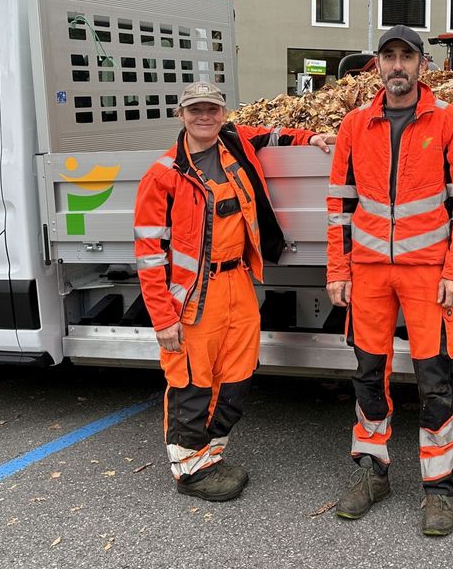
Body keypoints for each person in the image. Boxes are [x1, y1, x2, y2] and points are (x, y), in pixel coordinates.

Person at [134, 81, 335, 502]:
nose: (204, 117)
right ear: (180, 115)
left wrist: (312, 136)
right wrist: (163, 318)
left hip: (239, 282)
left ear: (223, 113)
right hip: (193, 296)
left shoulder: (236, 143)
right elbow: (149, 254)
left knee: (238, 374)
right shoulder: (163, 175)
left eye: (212, 109)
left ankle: (211, 456)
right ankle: (189, 470)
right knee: (192, 381)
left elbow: (275, 134)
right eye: (195, 110)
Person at [325, 25, 453, 536]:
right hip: (369, 274)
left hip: (427, 276)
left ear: (422, 65)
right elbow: (339, 207)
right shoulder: (355, 124)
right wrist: (338, 269)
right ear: (376, 64)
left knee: (435, 383)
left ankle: (438, 491)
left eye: (406, 57)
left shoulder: (450, 122)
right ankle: (374, 475)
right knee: (369, 377)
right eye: (388, 56)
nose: (398, 66)